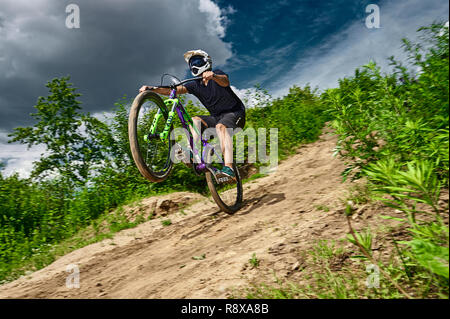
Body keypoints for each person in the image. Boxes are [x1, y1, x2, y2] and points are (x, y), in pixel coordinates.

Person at [139, 49, 245, 179]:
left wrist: (214, 76)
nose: (194, 66)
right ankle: (192, 153)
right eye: (191, 64)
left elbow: (225, 81)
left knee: (221, 127)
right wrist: (152, 88)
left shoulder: (217, 74)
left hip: (235, 113)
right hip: (216, 118)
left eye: (197, 62)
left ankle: (229, 169)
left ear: (206, 62)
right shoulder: (195, 85)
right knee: (195, 120)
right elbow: (173, 90)